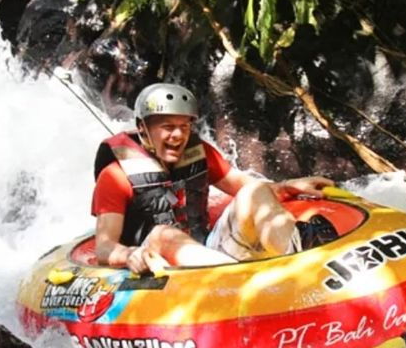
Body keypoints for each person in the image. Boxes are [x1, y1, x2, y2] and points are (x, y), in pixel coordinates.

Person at [92, 83, 338, 273]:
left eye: (184, 126)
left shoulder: (199, 154)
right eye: (167, 127)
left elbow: (247, 189)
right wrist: (129, 255)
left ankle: (304, 260)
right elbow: (104, 247)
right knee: (163, 234)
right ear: (143, 128)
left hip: (208, 253)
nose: (178, 135)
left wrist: (286, 187)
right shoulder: (115, 175)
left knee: (255, 191)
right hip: (157, 263)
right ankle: (242, 281)